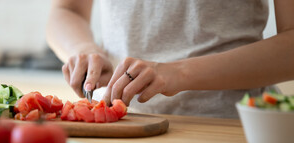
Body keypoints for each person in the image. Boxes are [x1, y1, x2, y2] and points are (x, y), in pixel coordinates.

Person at [46, 0, 294, 118]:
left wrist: (179, 73)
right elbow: (66, 10)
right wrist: (84, 48)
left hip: (227, 127)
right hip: (116, 126)